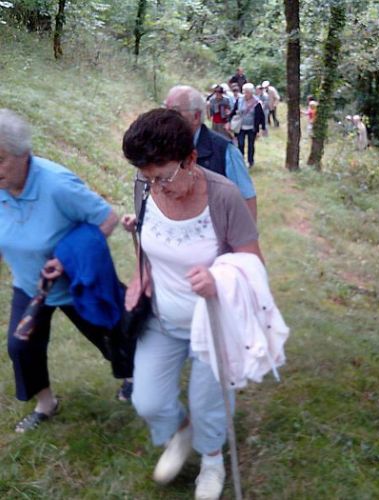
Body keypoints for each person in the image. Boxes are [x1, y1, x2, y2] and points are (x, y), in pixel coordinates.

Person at [122, 108, 264, 500]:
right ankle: (181, 432)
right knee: (147, 401)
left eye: (164, 177)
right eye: (148, 177)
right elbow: (152, 244)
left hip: (213, 322)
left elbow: (254, 265)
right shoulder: (145, 186)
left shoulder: (224, 197)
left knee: (208, 405)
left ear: (191, 159)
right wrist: (141, 271)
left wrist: (219, 279)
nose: (156, 186)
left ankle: (212, 460)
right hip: (162, 319)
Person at [0, 109, 133, 433]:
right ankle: (46, 404)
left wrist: (68, 259)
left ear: (23, 153)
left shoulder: (58, 185)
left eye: (0, 160)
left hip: (77, 281)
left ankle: (134, 376)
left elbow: (107, 219)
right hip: (31, 286)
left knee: (111, 332)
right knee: (21, 346)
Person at [163, 85, 257, 220]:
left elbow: (246, 198)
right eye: (164, 109)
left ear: (196, 116)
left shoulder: (225, 151)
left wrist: (246, 232)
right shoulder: (163, 147)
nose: (166, 117)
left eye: (174, 111)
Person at [230, 82, 266, 168]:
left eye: (247, 92)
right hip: (240, 126)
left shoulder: (257, 102)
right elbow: (233, 111)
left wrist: (263, 127)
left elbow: (261, 116)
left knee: (251, 145)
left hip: (252, 127)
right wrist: (228, 120)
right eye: (244, 91)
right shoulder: (239, 100)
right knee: (240, 143)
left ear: (251, 92)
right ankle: (241, 160)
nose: (245, 94)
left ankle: (250, 161)